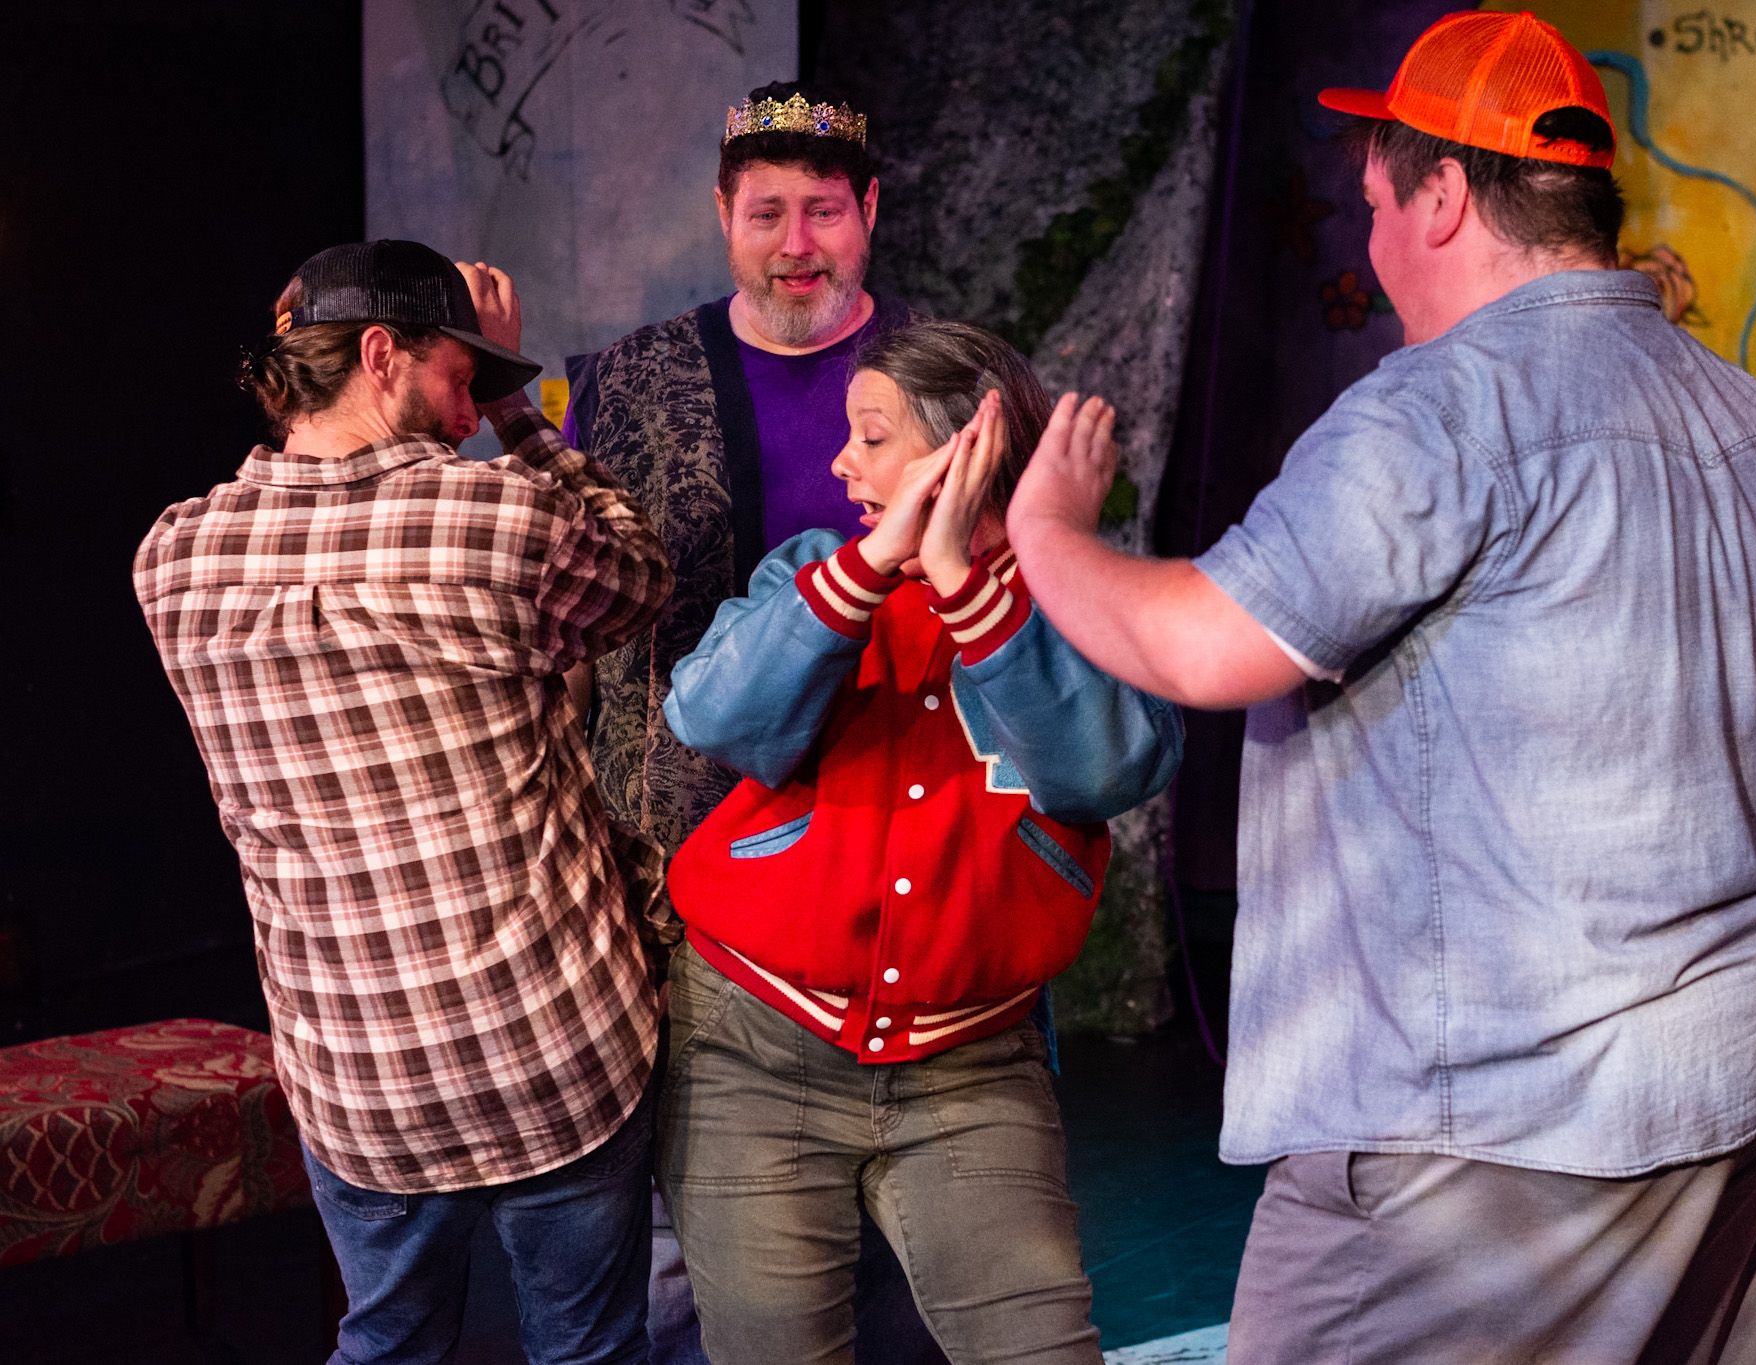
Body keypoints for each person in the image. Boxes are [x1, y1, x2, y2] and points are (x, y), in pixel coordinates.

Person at [1004, 12, 1756, 1365]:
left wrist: (1046, 528)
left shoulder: (1439, 410)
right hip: (1747, 1069)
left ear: (1444, 193)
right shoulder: (1751, 418)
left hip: (1504, 1123)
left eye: (1376, 206)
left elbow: (1202, 648)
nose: (1370, 242)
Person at [133, 240, 677, 1365]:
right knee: (590, 1353)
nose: (467, 413)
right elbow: (640, 575)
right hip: (551, 1049)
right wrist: (525, 411)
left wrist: (304, 363)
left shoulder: (172, 559)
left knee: (385, 1345)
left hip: (357, 1075)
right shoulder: (499, 518)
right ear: (380, 354)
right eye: (459, 378)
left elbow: (278, 488)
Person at [657, 320, 1183, 1364]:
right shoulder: (813, 571)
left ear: (963, 450)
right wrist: (870, 570)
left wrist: (963, 584)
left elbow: (1107, 769)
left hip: (970, 1064)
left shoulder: (1071, 594)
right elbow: (708, 715)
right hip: (754, 1047)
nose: (841, 464)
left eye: (871, 437)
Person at [566, 82, 935, 1364]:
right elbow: (580, 626)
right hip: (684, 858)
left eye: (822, 210)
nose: (795, 245)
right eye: (765, 212)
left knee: (909, 1216)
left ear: (868, 209)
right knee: (703, 1225)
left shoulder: (944, 371)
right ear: (721, 215)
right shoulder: (629, 379)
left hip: (902, 840)